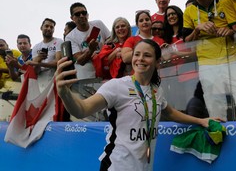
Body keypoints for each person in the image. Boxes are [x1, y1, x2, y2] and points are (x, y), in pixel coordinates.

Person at [55, 38, 224, 171]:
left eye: (147, 55)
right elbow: (83, 109)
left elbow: (170, 113)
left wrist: (201, 121)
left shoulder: (156, 90)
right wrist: (64, 93)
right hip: (117, 166)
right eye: (137, 54)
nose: (140, 59)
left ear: (157, 62)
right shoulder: (116, 86)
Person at [65, 2, 111, 79]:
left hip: (105, 66)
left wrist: (102, 51)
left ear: (88, 14)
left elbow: (110, 39)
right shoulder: (70, 37)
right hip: (87, 73)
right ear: (72, 18)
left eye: (84, 13)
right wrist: (90, 51)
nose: (82, 16)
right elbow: (80, 60)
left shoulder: (98, 24)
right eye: (77, 14)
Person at [28, 18, 63, 92]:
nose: (49, 29)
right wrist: (39, 58)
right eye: (46, 26)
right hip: (41, 80)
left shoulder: (59, 41)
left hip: (55, 78)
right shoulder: (36, 47)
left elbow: (58, 62)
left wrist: (37, 63)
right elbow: (34, 69)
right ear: (41, 28)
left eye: (51, 27)